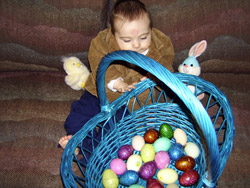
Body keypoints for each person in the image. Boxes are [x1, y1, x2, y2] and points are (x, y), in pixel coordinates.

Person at [58, 0, 174, 152]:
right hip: (99, 91)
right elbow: (98, 59)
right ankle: (78, 141)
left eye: (144, 37)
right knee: (80, 113)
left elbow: (167, 64)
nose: (136, 45)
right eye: (127, 40)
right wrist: (115, 81)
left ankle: (97, 153)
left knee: (117, 128)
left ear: (150, 30)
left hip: (131, 102)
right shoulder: (103, 40)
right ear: (113, 33)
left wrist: (156, 75)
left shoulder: (161, 42)